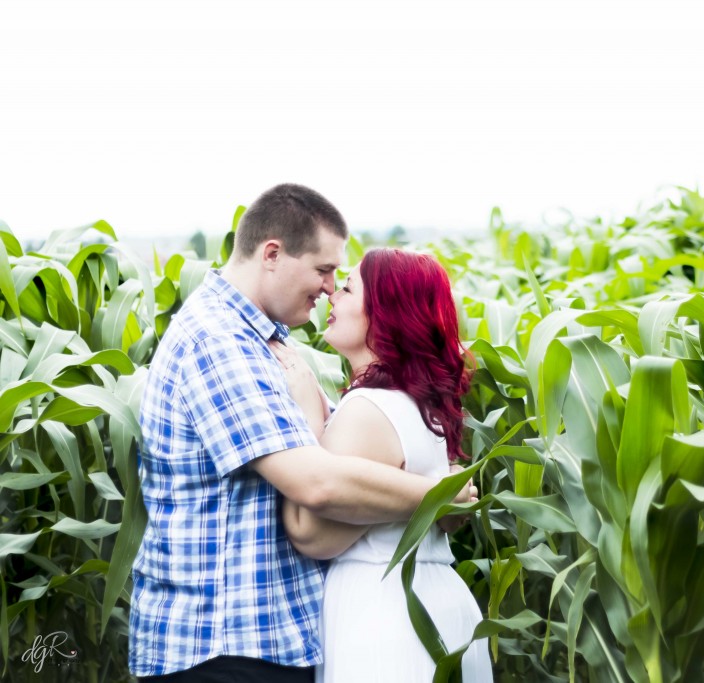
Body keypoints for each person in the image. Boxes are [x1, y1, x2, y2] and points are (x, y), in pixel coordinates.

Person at [129, 184, 476, 683]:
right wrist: (443, 492)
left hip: (266, 642)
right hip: (221, 646)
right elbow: (318, 483)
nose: (330, 288)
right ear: (272, 254)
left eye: (340, 278)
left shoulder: (267, 345)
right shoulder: (218, 342)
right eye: (323, 270)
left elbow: (348, 459)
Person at [272, 247, 492, 682]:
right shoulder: (421, 406)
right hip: (437, 607)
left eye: (349, 288)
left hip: (384, 619)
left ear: (384, 315)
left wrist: (307, 416)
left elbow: (311, 532)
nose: (332, 294)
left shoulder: (369, 409)